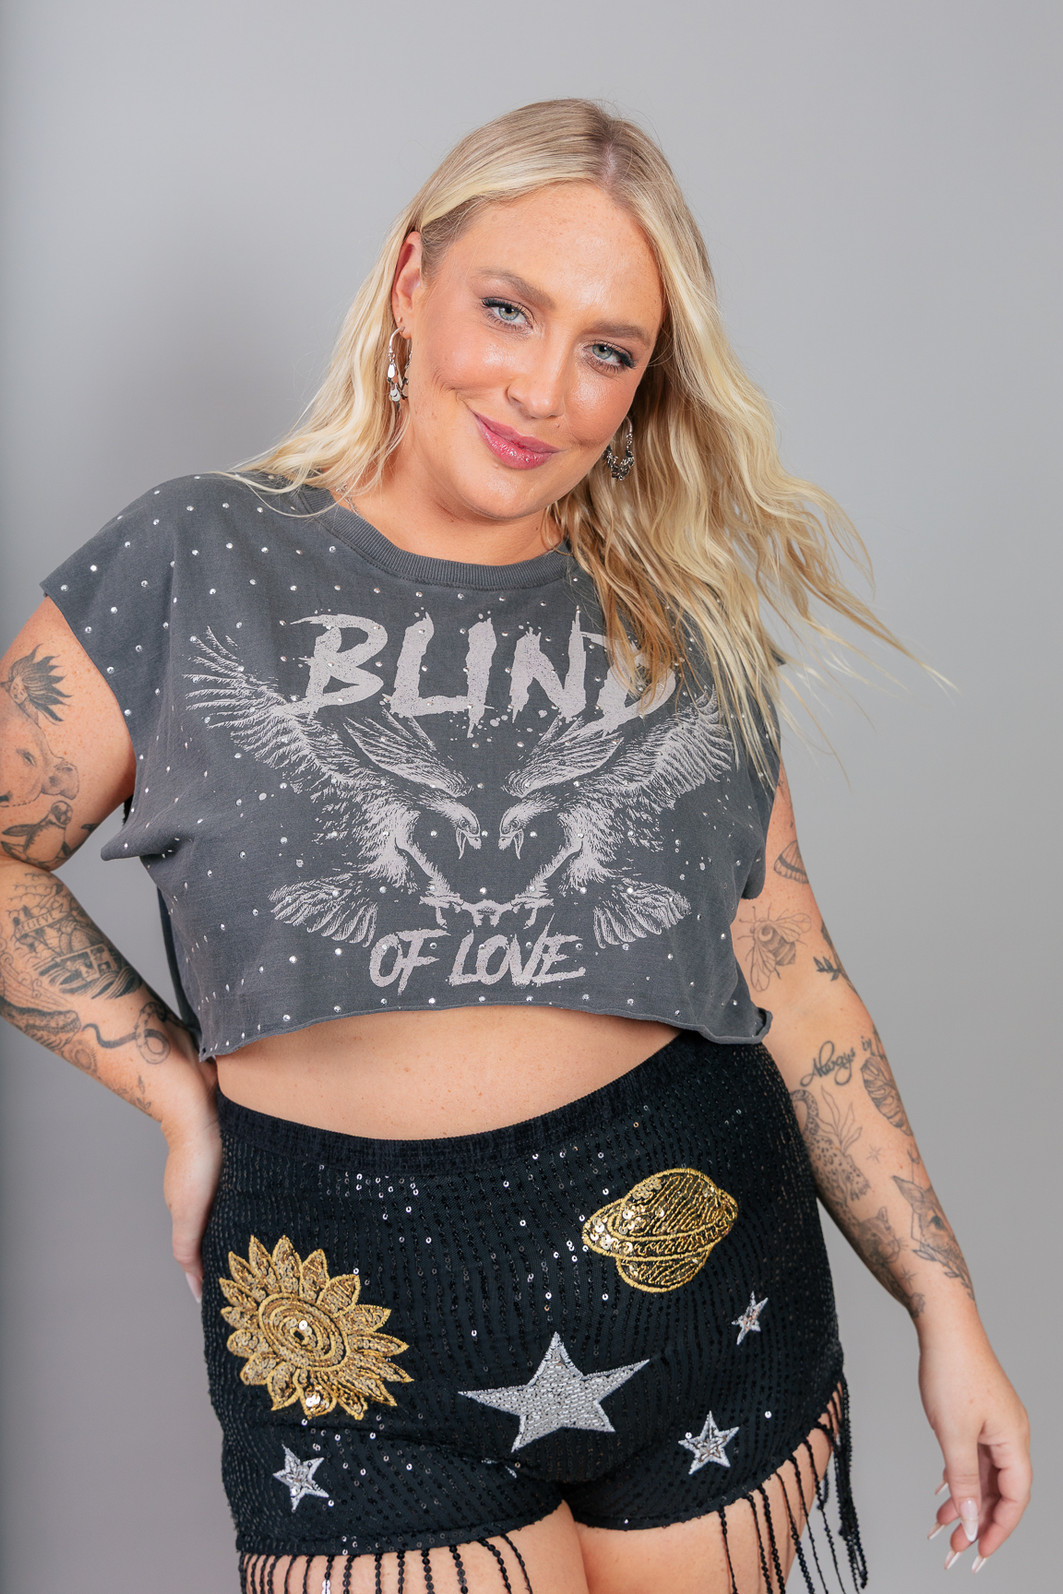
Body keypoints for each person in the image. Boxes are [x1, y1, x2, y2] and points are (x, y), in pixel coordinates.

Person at [0, 99, 1030, 1594]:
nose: (545, 388)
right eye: (508, 308)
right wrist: (171, 1086)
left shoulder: (678, 608)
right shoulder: (200, 557)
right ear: (411, 281)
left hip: (701, 1278)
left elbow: (792, 972)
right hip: (342, 1326)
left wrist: (947, 1312)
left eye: (608, 350)